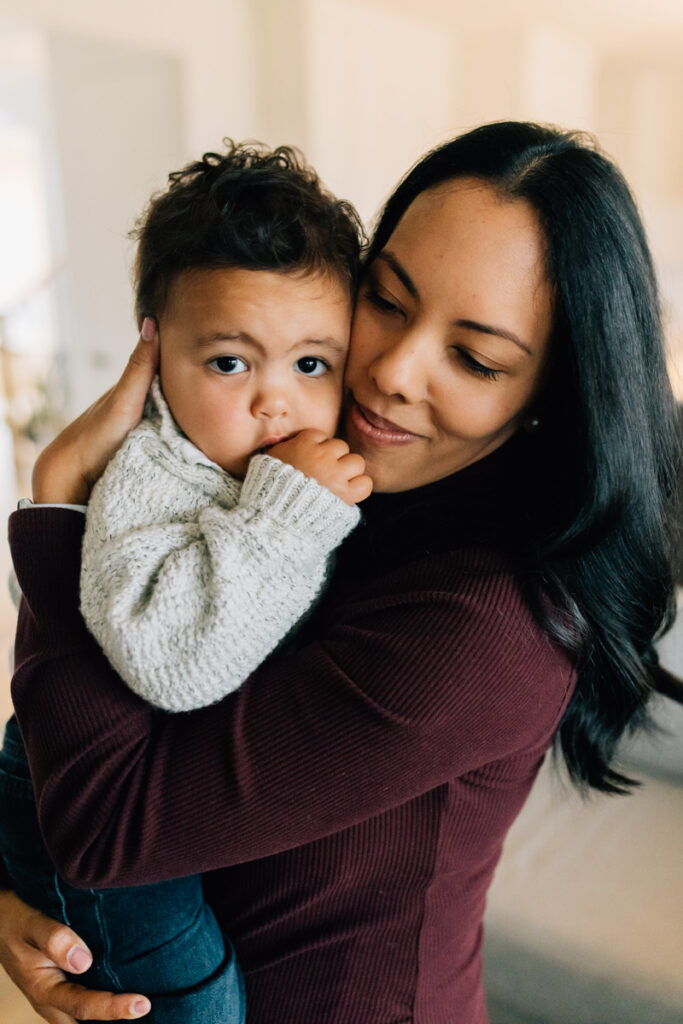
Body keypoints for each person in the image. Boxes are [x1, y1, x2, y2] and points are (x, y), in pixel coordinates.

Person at [0, 121, 679, 1024]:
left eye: (474, 359)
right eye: (388, 301)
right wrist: (23, 899)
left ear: (550, 400)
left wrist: (61, 514)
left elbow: (107, 825)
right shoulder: (321, 488)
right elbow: (113, 753)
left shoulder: (488, 626)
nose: (391, 371)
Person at [0, 142, 371, 1022]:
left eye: (311, 363)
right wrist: (289, 513)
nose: (274, 399)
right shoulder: (151, 476)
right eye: (230, 363)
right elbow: (173, 666)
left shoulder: (262, 467)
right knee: (198, 1003)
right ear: (156, 364)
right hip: (75, 802)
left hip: (139, 784)